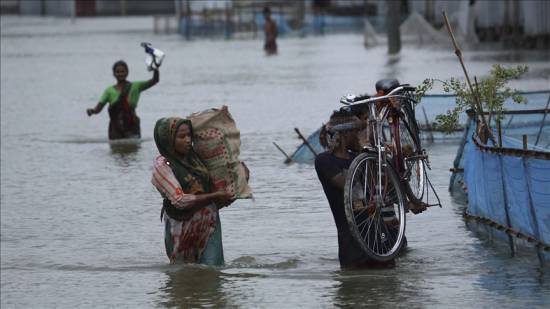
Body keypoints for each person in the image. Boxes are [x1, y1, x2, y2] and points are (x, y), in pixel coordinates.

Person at [315, 110, 398, 269]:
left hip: (377, 235)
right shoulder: (324, 160)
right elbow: (345, 182)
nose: (361, 135)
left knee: (388, 281)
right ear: (346, 133)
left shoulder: (358, 158)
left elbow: (380, 184)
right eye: (357, 132)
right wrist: (363, 153)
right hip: (351, 243)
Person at [152, 117, 234, 265]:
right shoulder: (162, 167)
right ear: (168, 140)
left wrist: (235, 182)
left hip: (209, 224)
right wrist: (216, 196)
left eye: (189, 135)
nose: (188, 140)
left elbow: (217, 186)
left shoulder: (197, 159)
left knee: (212, 270)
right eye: (182, 137)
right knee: (181, 274)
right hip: (181, 228)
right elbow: (180, 200)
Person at [86, 60, 159, 139]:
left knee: (133, 148)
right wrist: (92, 111)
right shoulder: (109, 91)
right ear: (113, 74)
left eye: (122, 71)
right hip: (115, 128)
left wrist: (155, 68)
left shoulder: (136, 86)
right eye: (117, 72)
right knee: (116, 149)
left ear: (127, 72)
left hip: (132, 125)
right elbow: (98, 108)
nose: (120, 74)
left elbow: (155, 80)